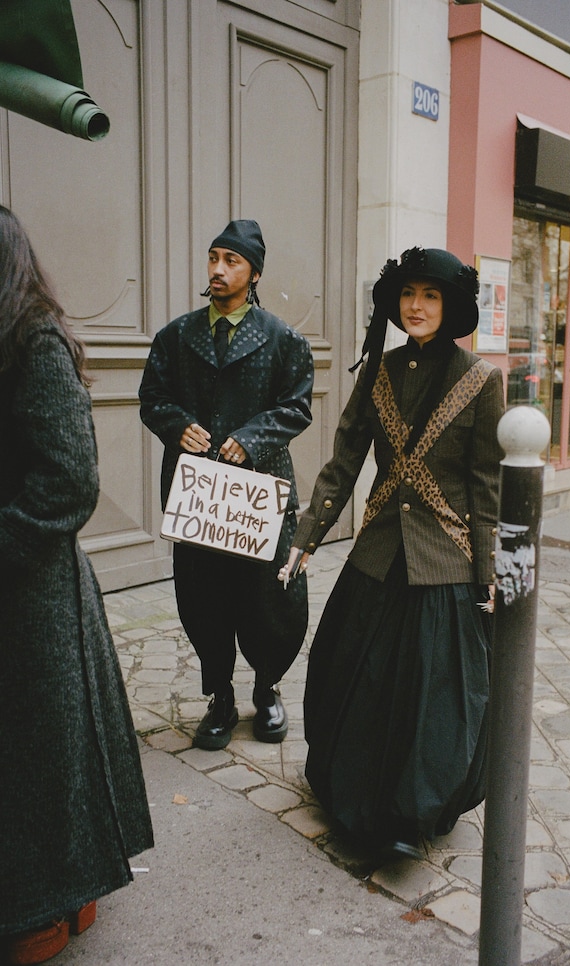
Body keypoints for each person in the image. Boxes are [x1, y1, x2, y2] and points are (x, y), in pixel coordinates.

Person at [282, 246, 505, 859]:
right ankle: (355, 800)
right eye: (409, 294)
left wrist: (488, 572)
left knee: (433, 696)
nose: (416, 305)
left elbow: (487, 485)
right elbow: (345, 458)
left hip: (446, 563)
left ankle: (412, 813)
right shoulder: (376, 372)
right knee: (359, 679)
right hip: (378, 554)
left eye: (430, 295)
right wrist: (306, 538)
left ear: (451, 305)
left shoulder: (482, 381)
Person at [0, 206, 154, 965]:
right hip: (19, 587)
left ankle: (53, 906)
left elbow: (69, 482)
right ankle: (63, 895)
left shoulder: (33, 341)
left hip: (33, 594)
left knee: (45, 755)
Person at [139, 219, 314, 750]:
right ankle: (219, 696)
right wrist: (176, 425)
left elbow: (297, 406)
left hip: (258, 495)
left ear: (253, 272)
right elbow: (153, 397)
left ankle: (267, 689)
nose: (217, 269)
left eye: (231, 261)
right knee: (203, 596)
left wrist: (252, 437)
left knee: (269, 598)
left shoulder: (284, 340)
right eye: (213, 257)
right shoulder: (175, 335)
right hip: (198, 496)